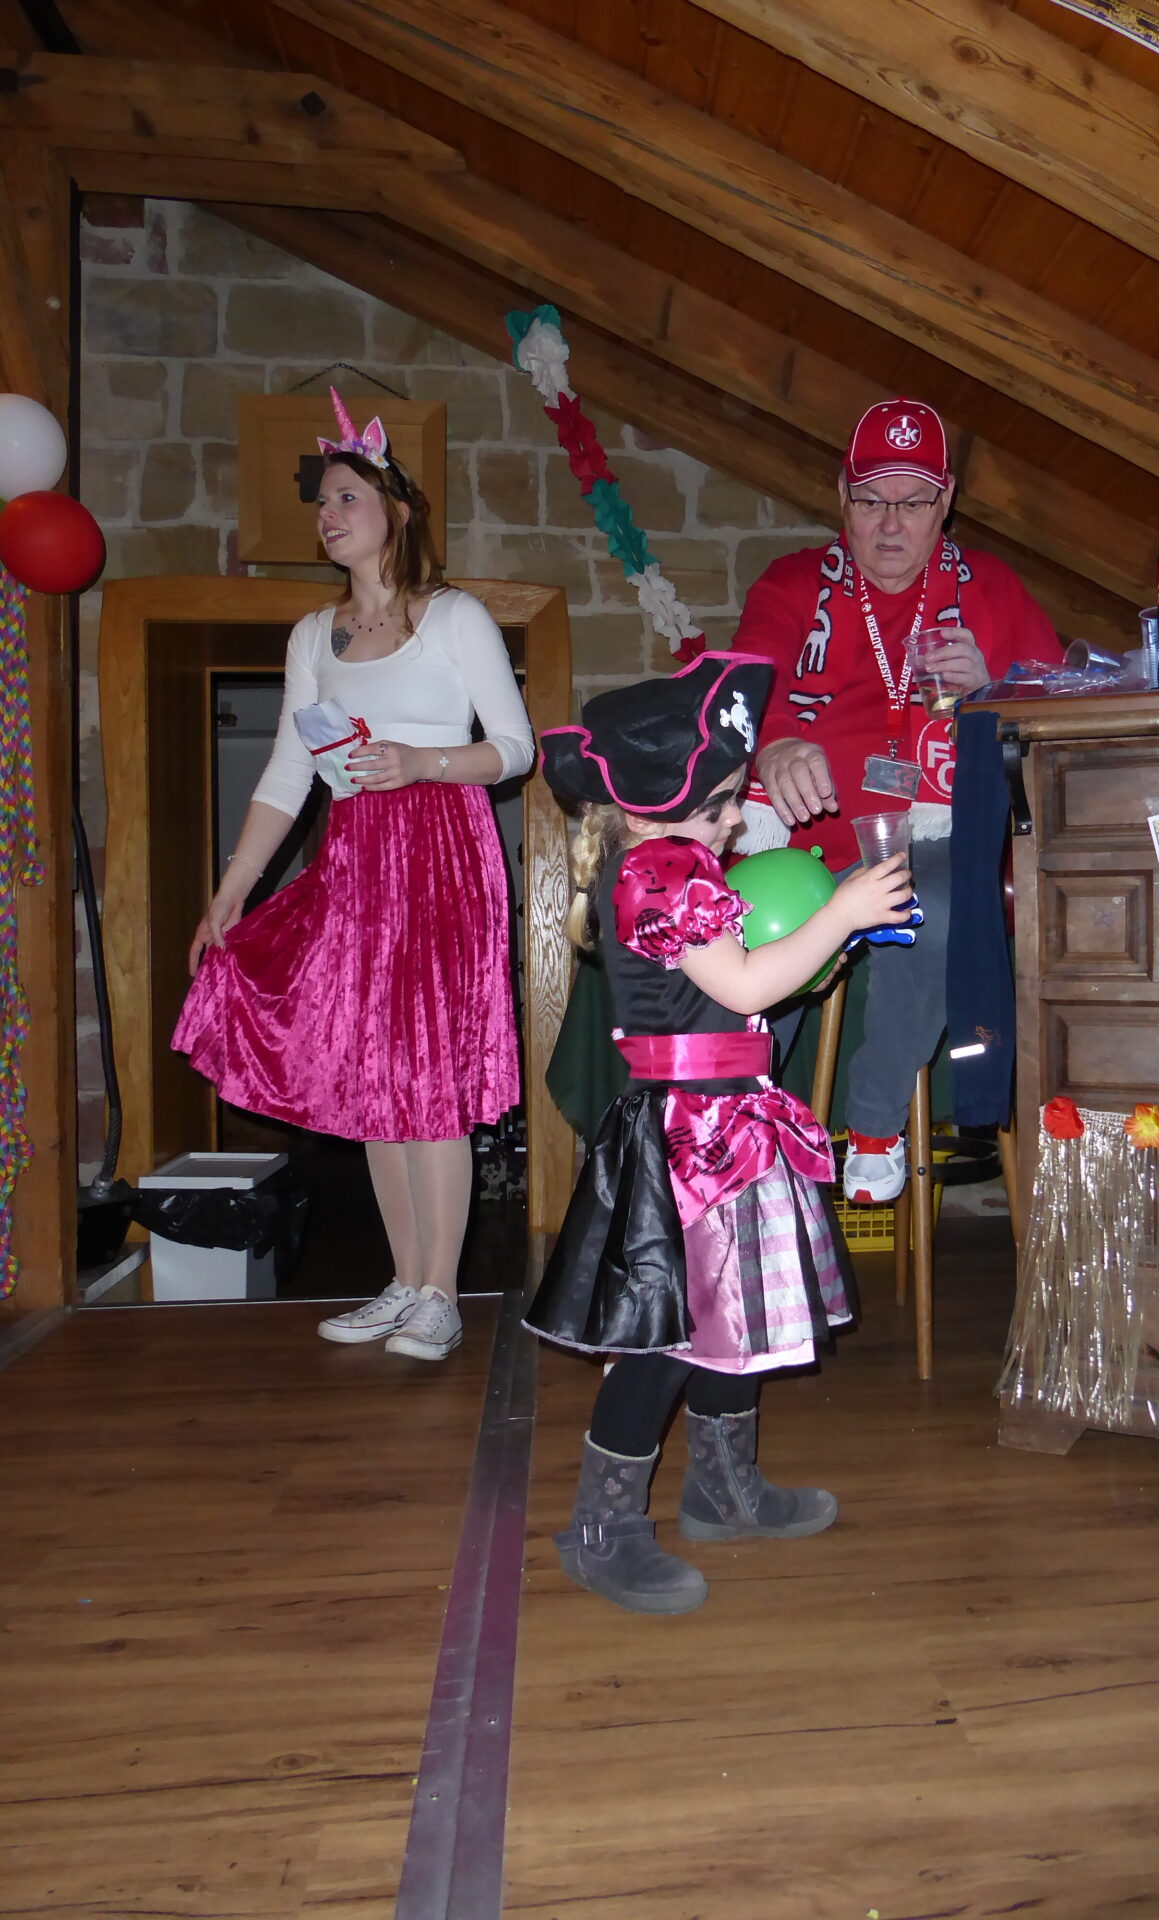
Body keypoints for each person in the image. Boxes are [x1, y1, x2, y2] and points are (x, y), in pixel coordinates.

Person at [526, 652, 914, 1614]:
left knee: (735, 1316)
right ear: (652, 810)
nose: (738, 819)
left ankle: (722, 1489)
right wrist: (842, 913)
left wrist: (815, 953)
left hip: (726, 1120)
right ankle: (602, 1530)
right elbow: (742, 985)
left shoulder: (678, 862)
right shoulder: (661, 871)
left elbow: (733, 991)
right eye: (721, 805)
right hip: (688, 1138)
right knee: (666, 1336)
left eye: (736, 799)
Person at [174, 391, 533, 1361]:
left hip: (443, 851)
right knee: (377, 1075)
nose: (328, 515)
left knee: (429, 1075)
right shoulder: (310, 635)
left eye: (347, 497)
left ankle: (441, 1294)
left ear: (397, 512)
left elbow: (516, 748)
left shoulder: (453, 617)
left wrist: (423, 762)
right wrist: (234, 888)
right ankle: (405, 1281)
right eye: (321, 502)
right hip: (356, 860)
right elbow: (288, 773)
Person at [735, 398, 1062, 1202]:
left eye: (913, 503)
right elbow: (742, 689)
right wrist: (775, 743)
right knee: (745, 924)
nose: (890, 524)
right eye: (871, 500)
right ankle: (734, 1127)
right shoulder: (793, 582)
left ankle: (875, 1125)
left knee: (936, 907)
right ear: (841, 496)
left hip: (931, 839)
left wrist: (995, 685)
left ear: (944, 501)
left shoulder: (991, 587)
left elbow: (1060, 710)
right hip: (803, 844)